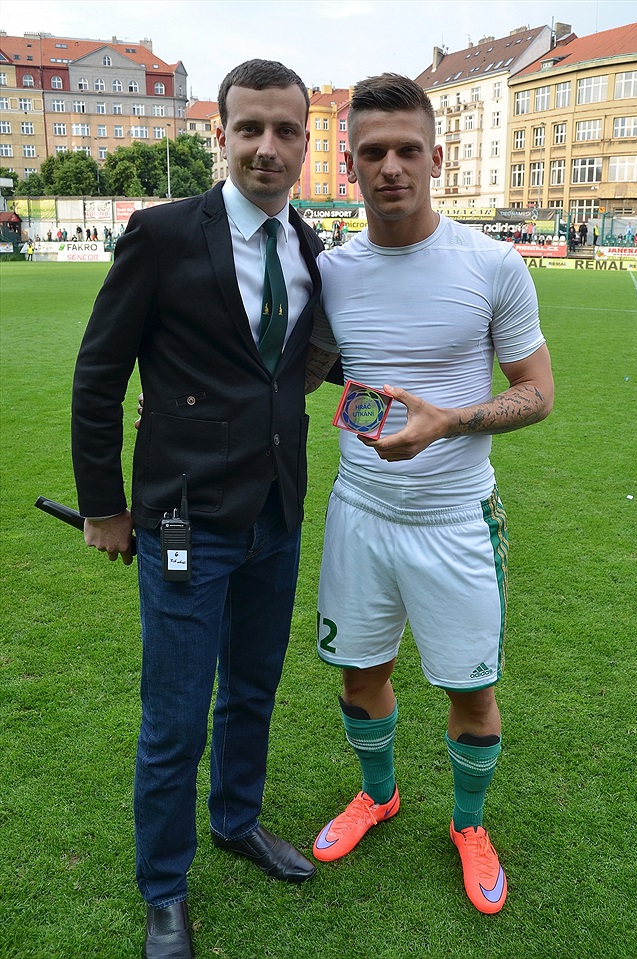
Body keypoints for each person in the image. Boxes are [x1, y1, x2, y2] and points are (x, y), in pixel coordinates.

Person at [72, 59, 326, 959]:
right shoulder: (163, 234)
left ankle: (237, 820)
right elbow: (100, 374)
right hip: (181, 519)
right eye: (248, 127)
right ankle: (165, 888)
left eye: (284, 130)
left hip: (276, 515)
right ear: (219, 134)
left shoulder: (309, 248)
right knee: (176, 711)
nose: (266, 145)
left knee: (252, 690)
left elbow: (290, 371)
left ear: (303, 140)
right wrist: (105, 504)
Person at [304, 74, 553, 915]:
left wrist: (449, 421)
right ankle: (378, 795)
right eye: (372, 152)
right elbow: (288, 370)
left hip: (455, 521)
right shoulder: (330, 271)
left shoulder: (492, 262)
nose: (391, 166)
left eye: (408, 149)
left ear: (437, 156)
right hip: (360, 513)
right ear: (349, 164)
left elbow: (536, 391)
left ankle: (469, 822)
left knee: (469, 689)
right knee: (358, 676)